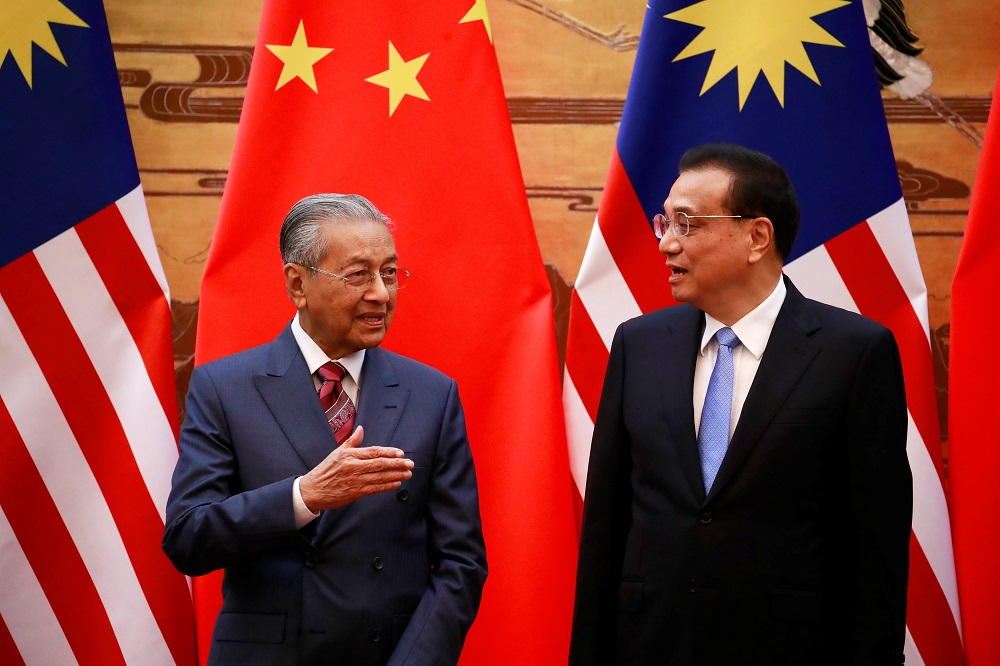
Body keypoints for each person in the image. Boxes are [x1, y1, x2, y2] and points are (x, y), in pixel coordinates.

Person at [569, 143, 912, 665]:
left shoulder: (853, 353)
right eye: (665, 222)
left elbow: (875, 549)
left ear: (757, 237)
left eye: (687, 223)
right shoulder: (638, 344)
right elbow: (606, 528)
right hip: (651, 643)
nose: (666, 243)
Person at [163, 193, 487, 665]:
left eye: (389, 272)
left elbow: (461, 562)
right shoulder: (225, 387)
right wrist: (304, 497)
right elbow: (188, 538)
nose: (381, 294)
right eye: (358, 275)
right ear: (298, 284)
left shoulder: (431, 395)